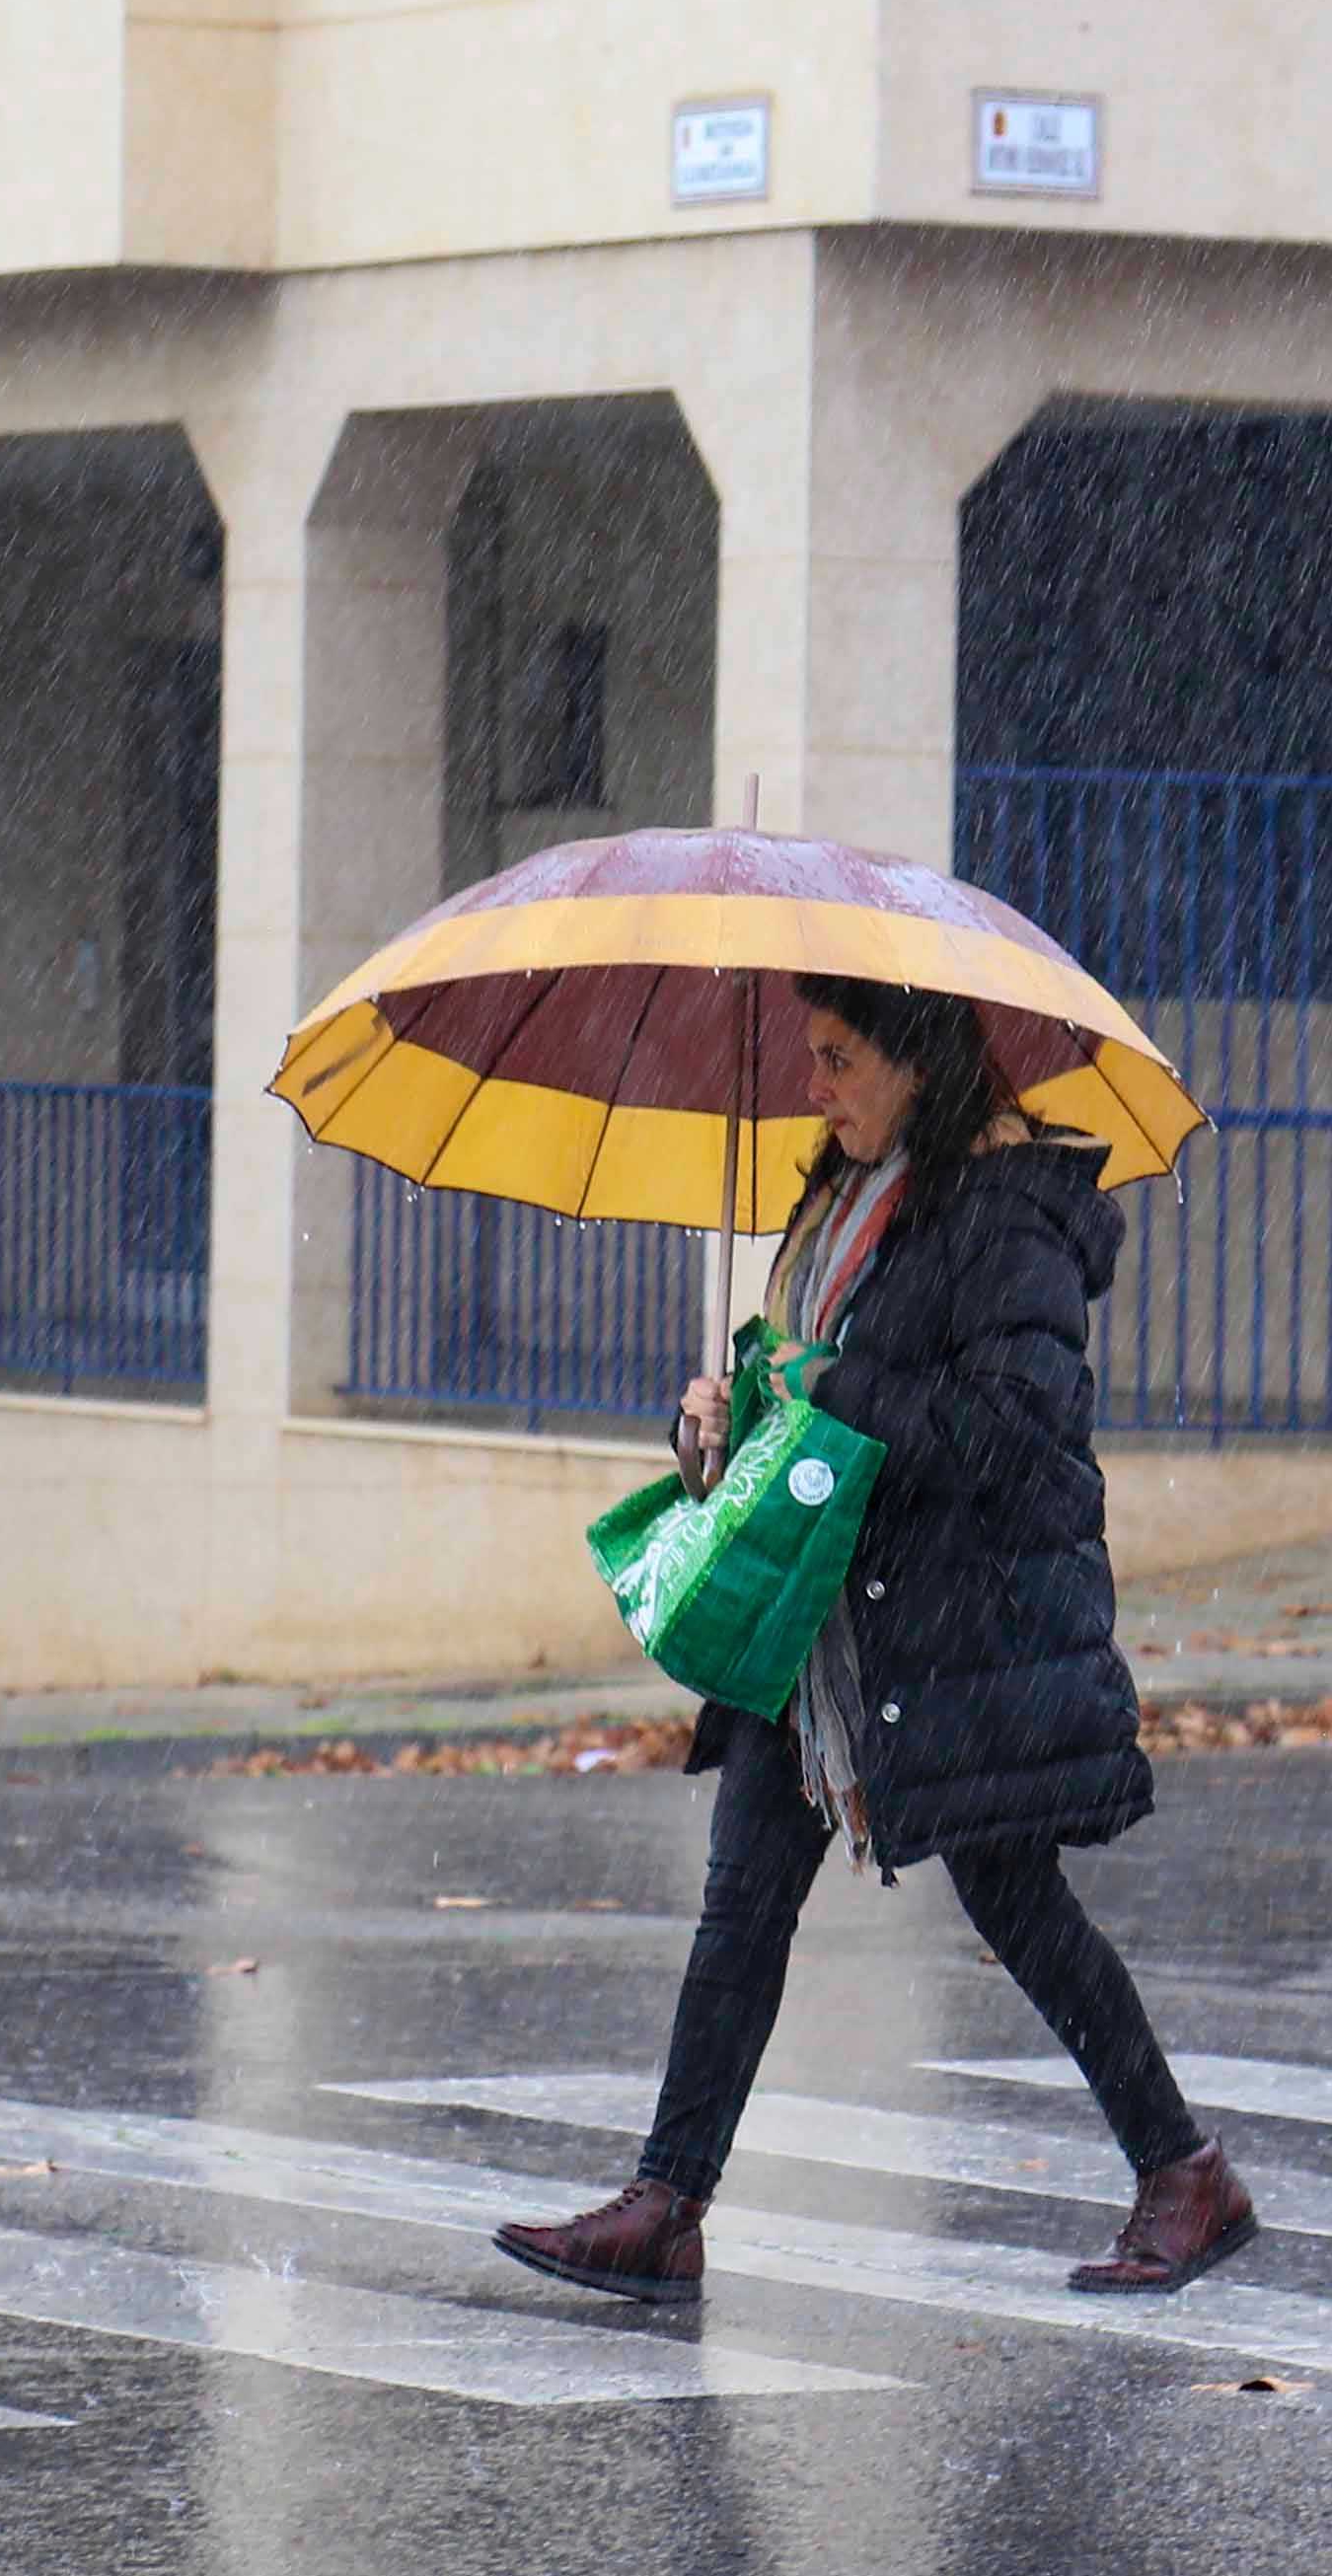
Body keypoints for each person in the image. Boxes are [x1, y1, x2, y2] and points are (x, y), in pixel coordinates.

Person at [494, 972, 1256, 2306]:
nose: (816, 1083)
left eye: (841, 1058)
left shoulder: (1004, 1217)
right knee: (742, 1901)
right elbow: (812, 1423)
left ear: (920, 1063)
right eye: (812, 1057)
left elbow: (1013, 1429)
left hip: (965, 1622)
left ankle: (1185, 2170)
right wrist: (718, 1429)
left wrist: (831, 1383)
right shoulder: (834, 1206)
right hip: (824, 1621)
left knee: (1017, 1902)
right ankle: (667, 2204)